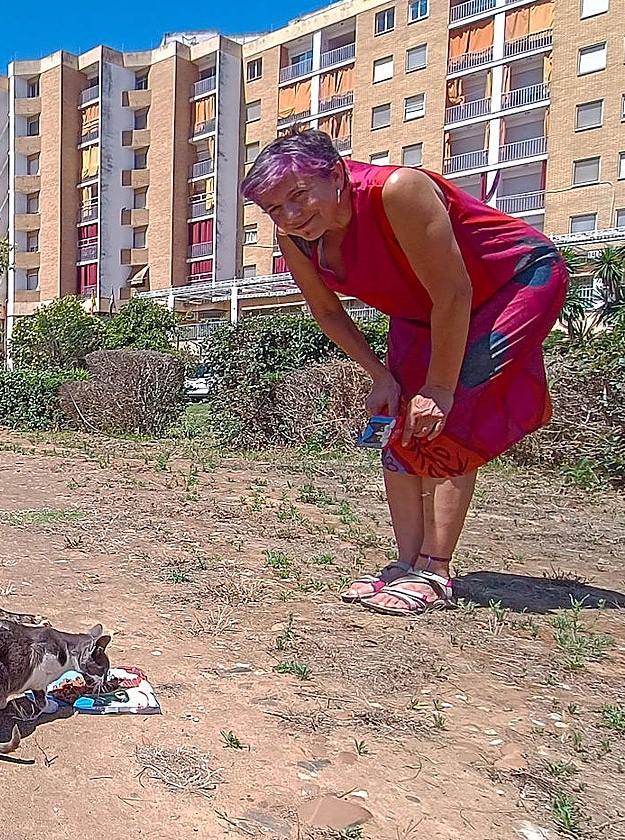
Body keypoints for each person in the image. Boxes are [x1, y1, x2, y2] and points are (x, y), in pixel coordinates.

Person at [239, 128, 567, 616]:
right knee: (398, 421)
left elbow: (455, 293)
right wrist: (380, 375)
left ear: (335, 176)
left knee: (451, 416)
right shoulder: (298, 238)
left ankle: (436, 570)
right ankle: (406, 563)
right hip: (423, 310)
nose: (289, 217)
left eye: (299, 196)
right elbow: (328, 313)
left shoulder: (399, 190)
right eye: (273, 209)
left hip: (508, 286)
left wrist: (438, 387)